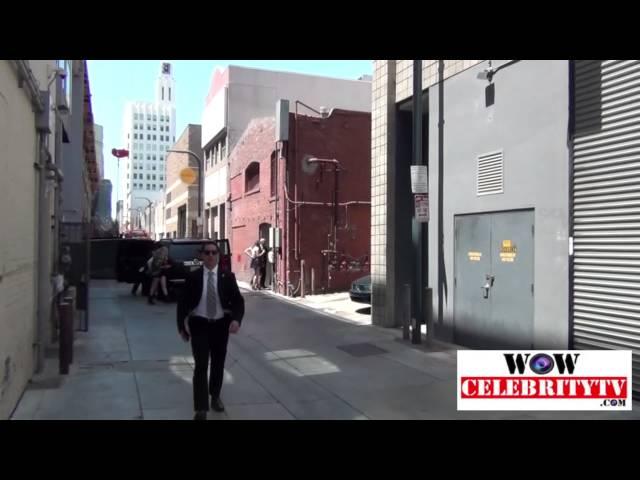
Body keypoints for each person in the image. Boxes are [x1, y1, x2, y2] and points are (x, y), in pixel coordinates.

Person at [177, 241, 245, 421]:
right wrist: (181, 327)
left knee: (217, 363)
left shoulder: (227, 277)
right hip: (199, 325)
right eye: (206, 252)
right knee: (200, 366)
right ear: (201, 255)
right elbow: (182, 304)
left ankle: (215, 396)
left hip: (220, 326)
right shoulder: (193, 277)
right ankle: (201, 408)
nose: (210, 256)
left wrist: (237, 320)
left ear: (218, 255)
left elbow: (238, 301)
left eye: (214, 252)